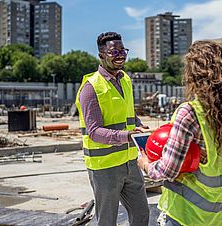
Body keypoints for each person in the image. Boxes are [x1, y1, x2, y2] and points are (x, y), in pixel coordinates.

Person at [138, 40, 222, 226]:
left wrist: (146, 164)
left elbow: (167, 170)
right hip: (217, 215)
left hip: (187, 215)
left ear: (193, 75)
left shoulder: (189, 112)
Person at [75, 31, 149, 226]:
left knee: (142, 214)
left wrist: (139, 126)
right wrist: (127, 136)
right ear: (101, 55)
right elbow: (94, 131)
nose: (120, 55)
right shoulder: (91, 88)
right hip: (105, 168)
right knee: (106, 221)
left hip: (130, 163)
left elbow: (128, 114)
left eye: (122, 50)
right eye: (113, 52)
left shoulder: (125, 80)